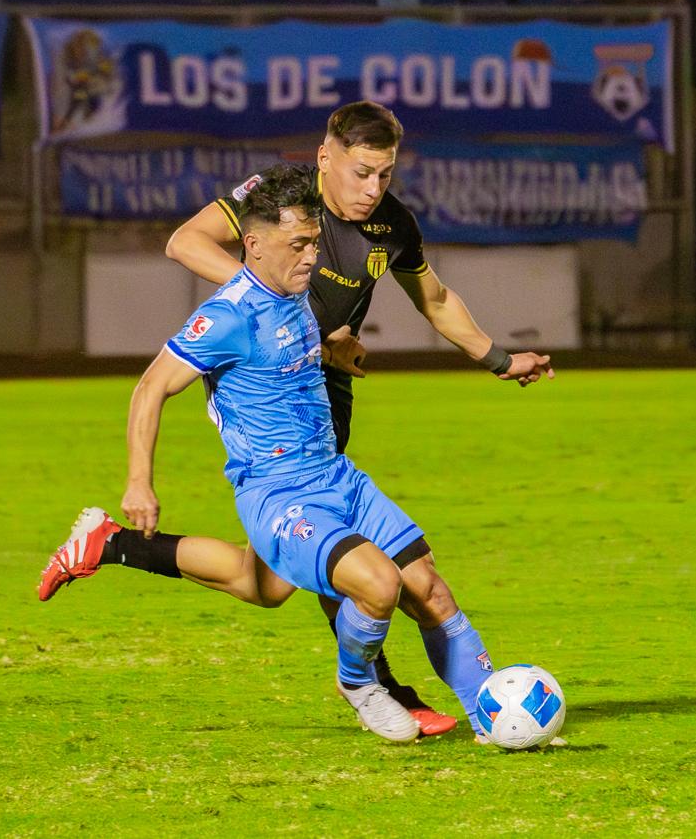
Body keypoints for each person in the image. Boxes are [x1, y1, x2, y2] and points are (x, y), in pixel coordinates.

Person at [46, 165, 500, 743]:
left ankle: (494, 715)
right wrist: (140, 481)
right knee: (378, 584)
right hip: (279, 493)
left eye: (313, 242)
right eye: (298, 245)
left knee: (413, 590)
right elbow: (150, 388)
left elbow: (285, 350)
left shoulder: (296, 293)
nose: (312, 257)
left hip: (337, 478)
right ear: (254, 246)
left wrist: (332, 350)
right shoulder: (227, 317)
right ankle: (361, 684)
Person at [161, 100, 553, 727]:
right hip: (267, 388)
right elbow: (185, 241)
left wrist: (499, 359)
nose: (372, 189)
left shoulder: (391, 223)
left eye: (385, 174)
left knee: (273, 581)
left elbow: (435, 299)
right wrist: (286, 313)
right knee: (344, 561)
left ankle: (116, 545)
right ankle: (380, 687)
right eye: (361, 172)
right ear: (325, 157)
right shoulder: (283, 198)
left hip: (329, 391)